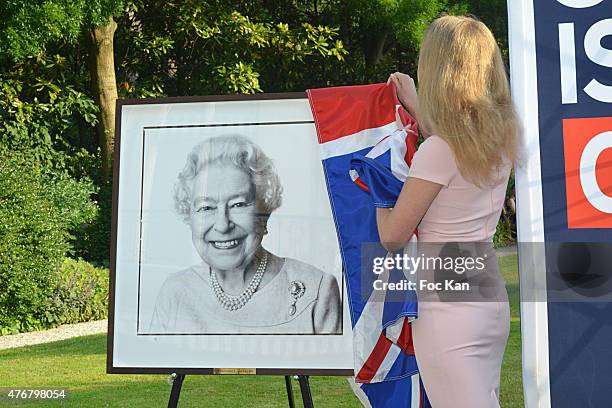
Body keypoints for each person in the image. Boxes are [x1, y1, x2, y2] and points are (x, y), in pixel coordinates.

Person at [380, 15, 520, 408]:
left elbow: (392, 236)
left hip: (445, 303)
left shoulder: (439, 150)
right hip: (486, 293)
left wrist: (372, 193)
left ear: (440, 69)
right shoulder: (501, 138)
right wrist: (416, 104)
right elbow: (452, 141)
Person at [150, 134, 342, 334]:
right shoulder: (175, 292)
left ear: (264, 212)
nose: (223, 225)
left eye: (238, 204)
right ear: (189, 217)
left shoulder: (316, 290)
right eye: (206, 207)